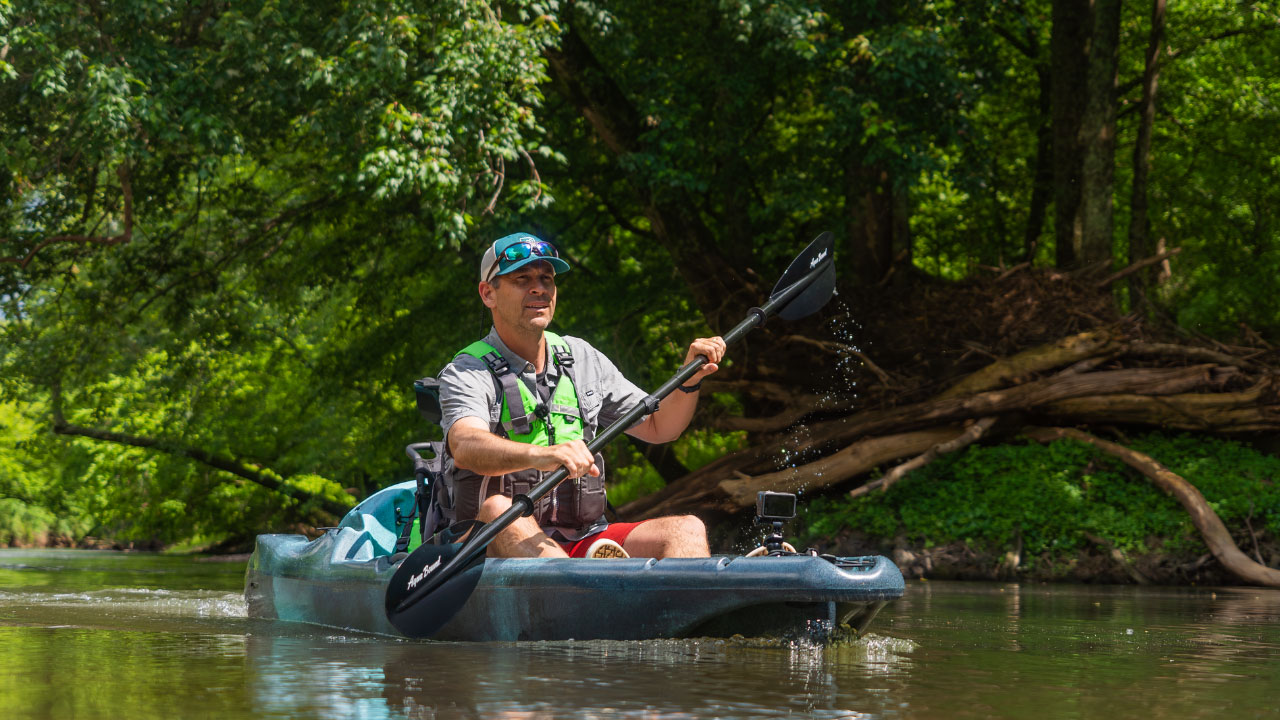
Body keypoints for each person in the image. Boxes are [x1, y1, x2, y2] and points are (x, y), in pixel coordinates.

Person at [434, 231, 725, 559]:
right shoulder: (469, 369)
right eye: (522, 278)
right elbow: (465, 445)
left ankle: (689, 607)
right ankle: (593, 592)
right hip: (489, 546)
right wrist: (543, 454)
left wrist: (689, 379)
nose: (539, 288)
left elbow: (661, 426)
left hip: (584, 537)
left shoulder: (582, 357)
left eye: (547, 278)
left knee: (686, 529)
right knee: (501, 508)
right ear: (488, 294)